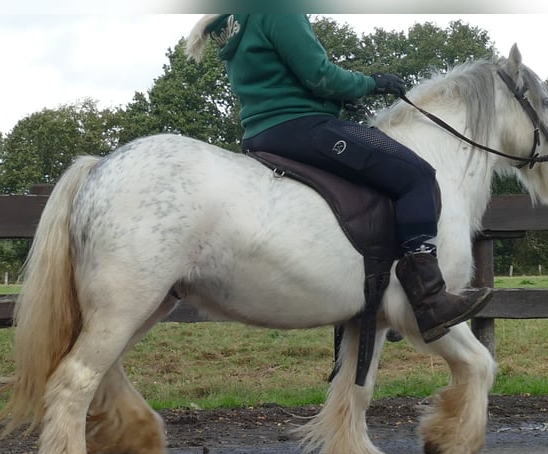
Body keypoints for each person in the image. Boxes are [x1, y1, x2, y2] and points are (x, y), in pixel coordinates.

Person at [187, 14, 491, 343]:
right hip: (303, 127)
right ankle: (428, 298)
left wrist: (337, 98)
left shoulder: (238, 17)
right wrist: (372, 83)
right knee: (416, 176)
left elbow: (281, 78)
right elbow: (319, 75)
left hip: (264, 132)